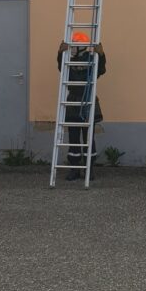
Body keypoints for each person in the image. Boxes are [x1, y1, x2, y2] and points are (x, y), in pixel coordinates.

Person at [57, 32, 106, 181]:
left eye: (74, 46)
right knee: (73, 137)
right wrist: (60, 53)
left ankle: (89, 169)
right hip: (73, 102)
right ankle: (74, 169)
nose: (71, 49)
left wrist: (101, 55)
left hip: (87, 101)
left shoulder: (92, 60)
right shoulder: (69, 61)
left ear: (80, 47)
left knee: (88, 138)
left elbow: (101, 70)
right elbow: (62, 69)